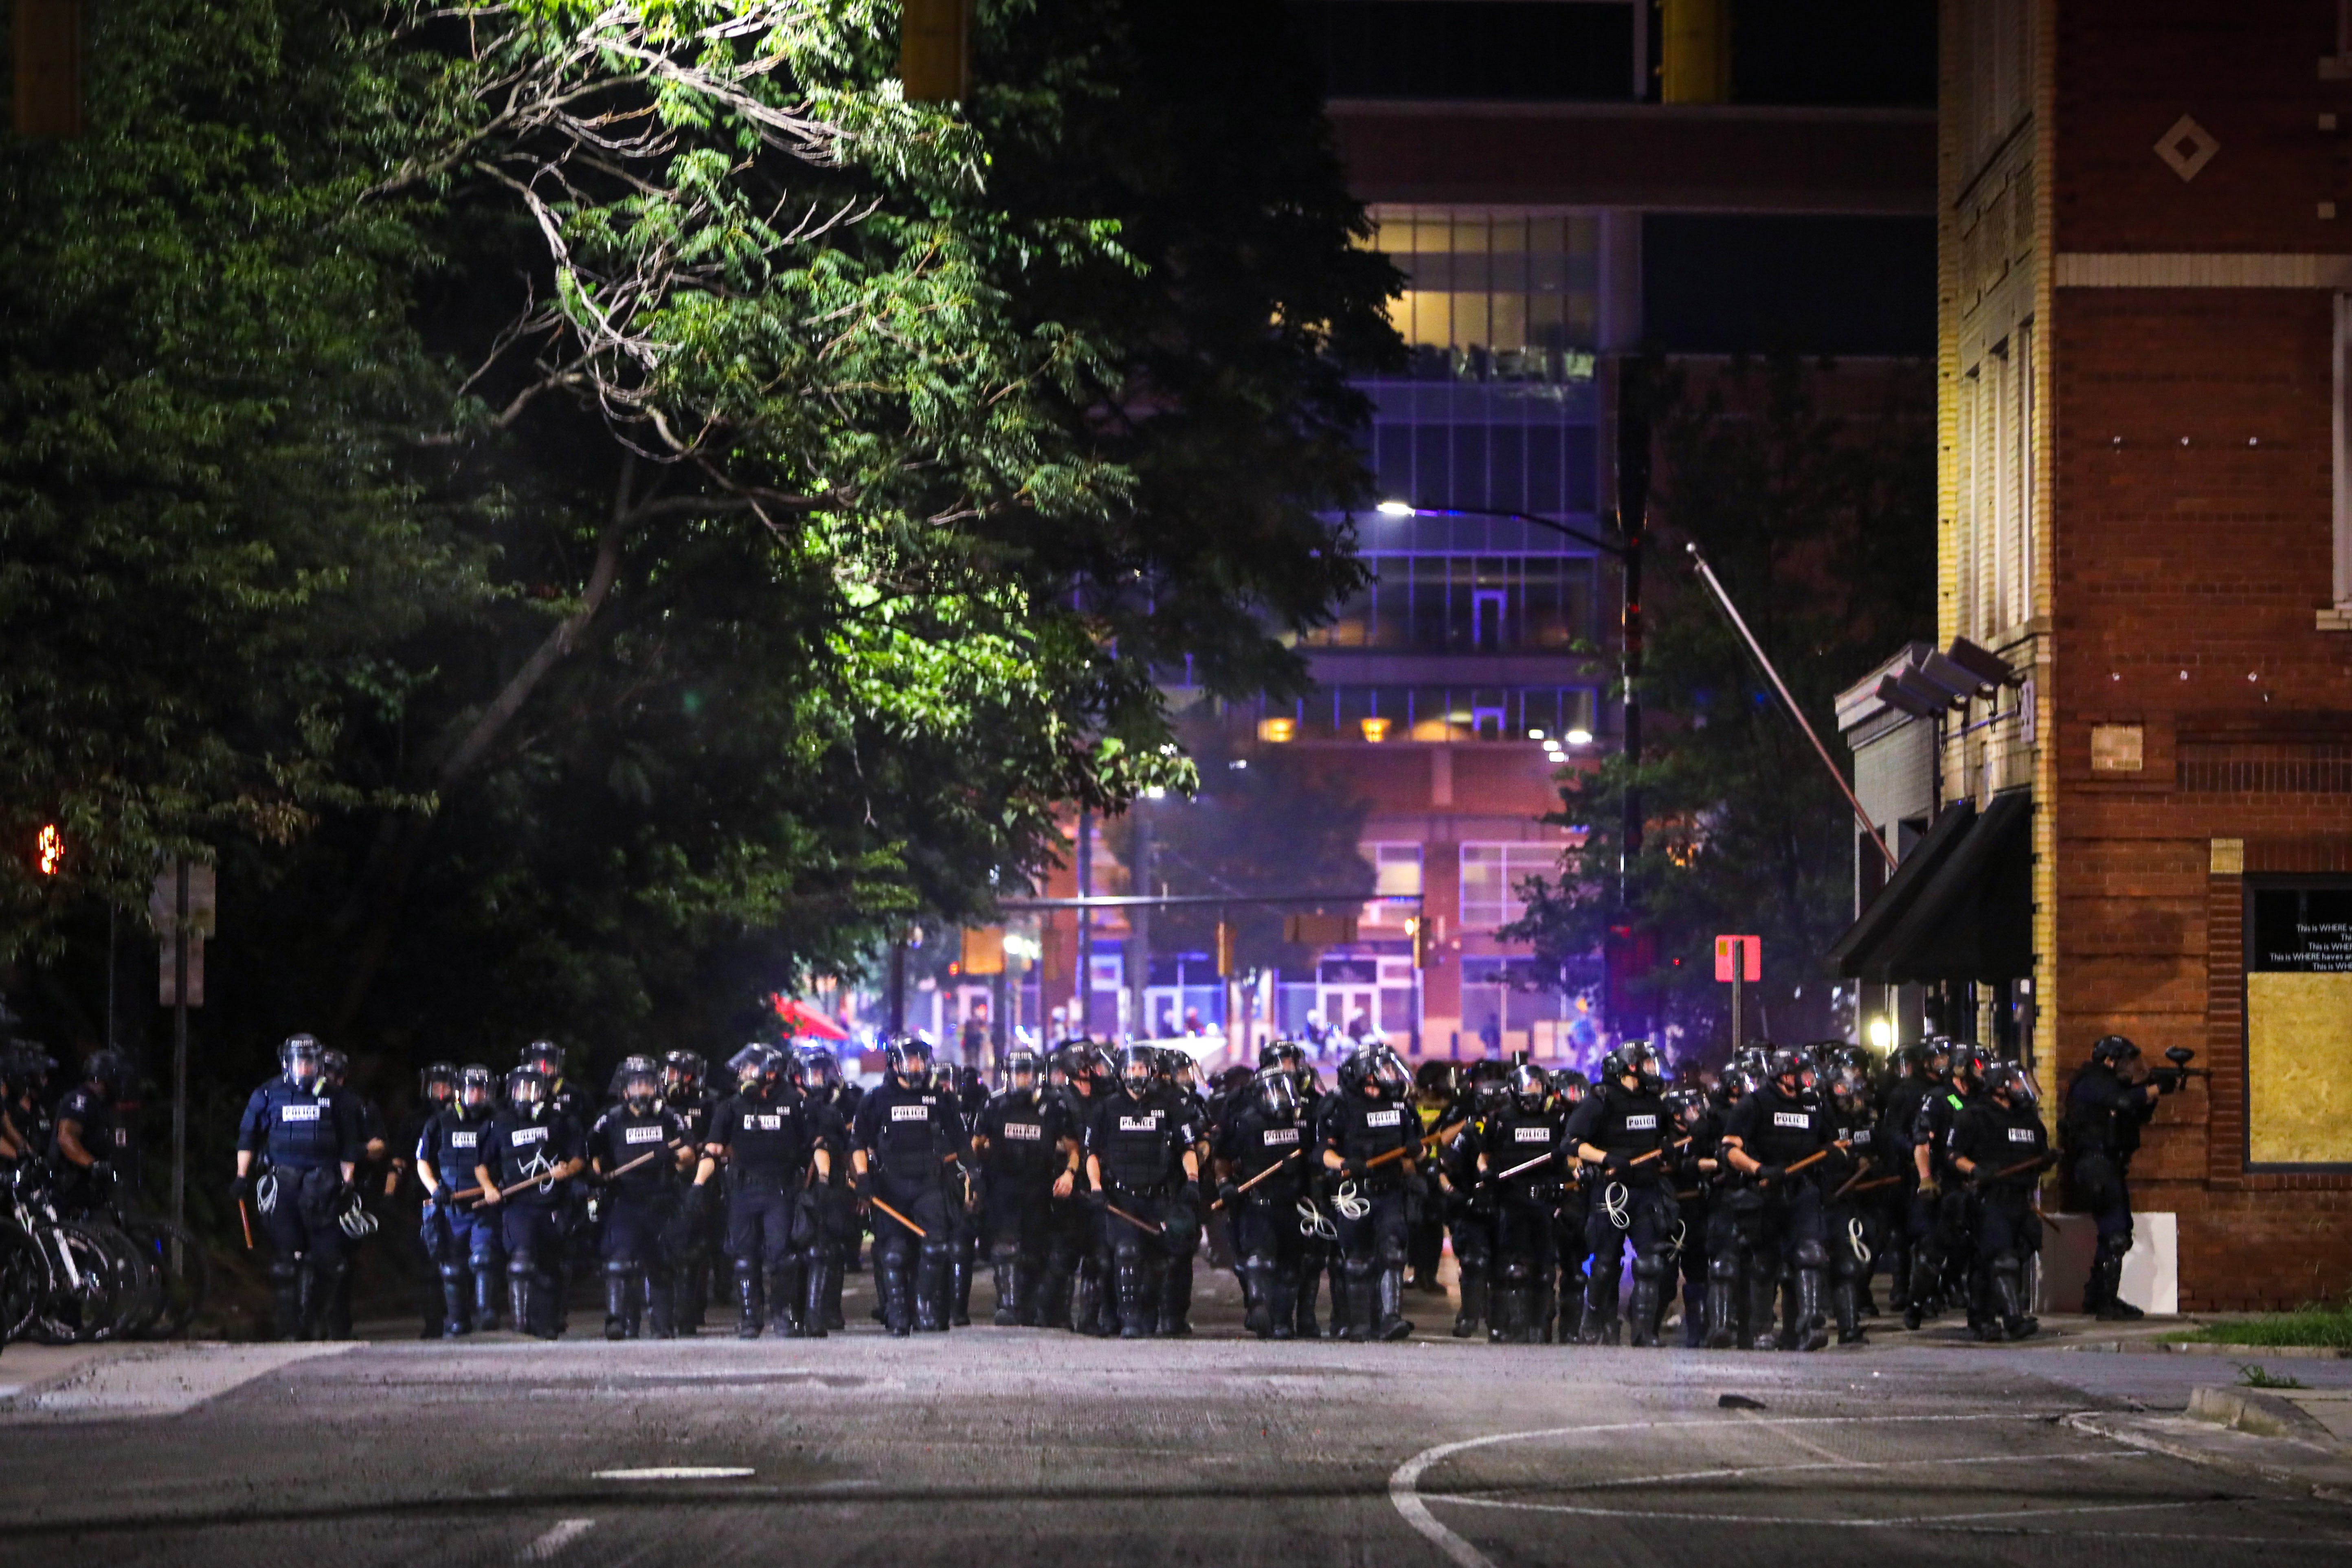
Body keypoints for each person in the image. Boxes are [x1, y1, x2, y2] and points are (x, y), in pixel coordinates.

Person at [233, 1035, 365, 1340]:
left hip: (324, 1184)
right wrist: (242, 1176)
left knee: (328, 1262)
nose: (305, 1068)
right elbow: (247, 1137)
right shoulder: (268, 1094)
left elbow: (348, 1144)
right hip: (284, 1183)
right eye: (300, 1062)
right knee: (286, 1262)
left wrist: (348, 1182)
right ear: (287, 1064)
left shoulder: (337, 1098)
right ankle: (289, 1327)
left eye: (310, 1062)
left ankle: (313, 1320)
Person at [694, 1045, 830, 1337]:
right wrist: (698, 1184)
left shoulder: (796, 1104)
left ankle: (783, 1316)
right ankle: (749, 1319)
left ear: (770, 1073)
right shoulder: (731, 1106)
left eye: (749, 1069)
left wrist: (825, 1180)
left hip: (780, 1190)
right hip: (743, 1189)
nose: (743, 1075)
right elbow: (712, 1150)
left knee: (782, 1257)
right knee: (744, 1258)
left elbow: (818, 1146)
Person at [851, 1037, 970, 1335]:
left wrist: (974, 1176)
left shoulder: (940, 1098)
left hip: (929, 1183)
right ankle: (897, 1313)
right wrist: (863, 1178)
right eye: (911, 1060)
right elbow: (858, 1144)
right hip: (890, 1185)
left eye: (920, 1060)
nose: (917, 1066)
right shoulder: (875, 1099)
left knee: (936, 1246)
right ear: (895, 1064)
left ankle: (923, 1308)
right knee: (893, 1253)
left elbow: (961, 1141)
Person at [1719, 1045, 1834, 1352]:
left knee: (1810, 1255)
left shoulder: (1814, 1105)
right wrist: (1758, 1169)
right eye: (1804, 1073)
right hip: (1765, 1192)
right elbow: (1729, 1150)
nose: (1810, 1079)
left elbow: (1830, 1142)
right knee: (1764, 1264)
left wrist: (1834, 1151)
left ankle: (1808, 1327)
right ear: (1785, 1075)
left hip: (1802, 1191)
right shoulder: (1754, 1104)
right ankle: (1761, 1331)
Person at [1083, 1043, 1201, 1338]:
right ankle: (1129, 1319)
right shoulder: (1106, 1108)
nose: (1136, 1074)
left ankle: (1154, 1315)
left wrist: (1192, 1179)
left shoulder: (1170, 1104)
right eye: (1131, 1069)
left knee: (1161, 1259)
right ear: (1121, 1073)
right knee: (1126, 1253)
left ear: (1151, 1072)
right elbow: (1092, 1154)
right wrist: (1096, 1187)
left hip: (1159, 1196)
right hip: (1121, 1198)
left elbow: (1187, 1147)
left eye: (1141, 1068)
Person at [2062, 1034, 2178, 1321]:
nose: (2129, 1068)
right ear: (2108, 1061)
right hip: (2095, 1164)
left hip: (2110, 1165)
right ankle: (2105, 1302)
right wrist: (2150, 1091)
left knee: (2117, 1233)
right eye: (2124, 1062)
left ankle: (2097, 1296)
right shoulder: (2091, 1082)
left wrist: (2154, 1095)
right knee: (2115, 1234)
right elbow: (2123, 1101)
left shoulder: (2110, 1085)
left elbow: (2133, 1114)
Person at [1567, 1042, 1674, 1346]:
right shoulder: (1601, 1100)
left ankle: (1644, 1333)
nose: (1653, 1070)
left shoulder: (1654, 1102)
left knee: (1651, 1263)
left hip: (1646, 1190)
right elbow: (1572, 1143)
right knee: (1604, 1264)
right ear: (1630, 1067)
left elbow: (1663, 1137)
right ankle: (1592, 1323)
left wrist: (1667, 1148)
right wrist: (1604, 1158)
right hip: (1611, 1192)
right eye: (1648, 1065)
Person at [1316, 1041, 1421, 1342]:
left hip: (1389, 1191)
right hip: (1352, 1193)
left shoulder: (1401, 1106)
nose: (1391, 1075)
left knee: (1392, 1252)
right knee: (1357, 1260)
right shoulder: (1339, 1105)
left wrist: (1417, 1153)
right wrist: (1343, 1163)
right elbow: (1322, 1151)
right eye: (1386, 1069)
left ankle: (1390, 1319)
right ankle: (1358, 1323)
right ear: (1368, 1075)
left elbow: (1419, 1153)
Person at [474, 1065, 585, 1339]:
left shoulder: (561, 1121)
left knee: (552, 1267)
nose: (527, 1094)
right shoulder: (498, 1123)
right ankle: (520, 1327)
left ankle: (548, 1324)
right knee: (521, 1263)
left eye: (533, 1088)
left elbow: (578, 1157)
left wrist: (566, 1171)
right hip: (518, 1205)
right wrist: (489, 1189)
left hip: (553, 1204)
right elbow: (482, 1165)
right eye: (522, 1088)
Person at [591, 1055, 693, 1339]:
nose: (643, 1091)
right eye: (637, 1085)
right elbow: (591, 1154)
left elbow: (690, 1154)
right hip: (625, 1199)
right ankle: (618, 1322)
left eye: (648, 1085)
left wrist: (673, 1155)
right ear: (625, 1090)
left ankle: (662, 1327)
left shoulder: (669, 1117)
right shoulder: (609, 1119)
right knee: (620, 1263)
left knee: (660, 1264)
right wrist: (597, 1174)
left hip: (661, 1198)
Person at [1951, 1060, 2049, 1342]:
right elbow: (1952, 1155)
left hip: (2021, 1199)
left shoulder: (2027, 1119)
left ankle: (1984, 1313)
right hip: (1991, 1199)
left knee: (2014, 1253)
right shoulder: (1975, 1117)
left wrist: (2045, 1161)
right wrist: (1975, 1170)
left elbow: (2038, 1154)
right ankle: (2012, 1320)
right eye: (2015, 1081)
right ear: (1999, 1086)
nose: (2021, 1087)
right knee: (2000, 1258)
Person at [1214, 1066, 1313, 1339]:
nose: (1281, 1096)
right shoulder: (1246, 1123)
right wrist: (1225, 1186)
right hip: (1258, 1204)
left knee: (1291, 1269)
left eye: (1284, 1089)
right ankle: (1258, 1308)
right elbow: (1222, 1159)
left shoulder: (1299, 1123)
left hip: (1293, 1205)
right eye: (1275, 1090)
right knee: (1260, 1260)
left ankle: (1282, 1321)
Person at [973, 1047, 1065, 1326]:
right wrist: (975, 1176)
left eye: (1026, 1074)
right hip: (1004, 1184)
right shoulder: (994, 1104)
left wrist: (1066, 1170)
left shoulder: (1052, 1105)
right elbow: (976, 1143)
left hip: (1039, 1184)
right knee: (1005, 1245)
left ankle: (1031, 1305)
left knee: (1036, 1248)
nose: (1022, 1079)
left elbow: (1069, 1145)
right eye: (1017, 1073)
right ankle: (1008, 1305)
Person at [1476, 1061, 1565, 1344]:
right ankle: (1514, 1328)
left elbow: (1567, 1159)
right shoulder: (1501, 1120)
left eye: (1538, 1086)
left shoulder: (1555, 1120)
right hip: (1511, 1200)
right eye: (1529, 1086)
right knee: (1515, 1269)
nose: (1534, 1092)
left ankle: (1540, 1329)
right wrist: (1486, 1174)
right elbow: (1484, 1156)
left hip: (1544, 1201)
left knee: (1545, 1271)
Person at [416, 1064, 502, 1335]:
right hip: (451, 1206)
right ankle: (458, 1321)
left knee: (484, 1259)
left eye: (481, 1090)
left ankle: (486, 1312)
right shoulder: (440, 1122)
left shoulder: (497, 1121)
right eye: (471, 1090)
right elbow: (422, 1161)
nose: (476, 1096)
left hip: (484, 1204)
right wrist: (434, 1188)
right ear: (460, 1091)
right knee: (452, 1269)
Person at [318, 1048, 387, 1339]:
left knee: (340, 1262)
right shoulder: (301, 1103)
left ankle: (337, 1326)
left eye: (334, 1074)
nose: (329, 1079)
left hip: (345, 1193)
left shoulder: (358, 1106)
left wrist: (353, 1153)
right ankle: (305, 1324)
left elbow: (379, 1146)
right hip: (307, 1188)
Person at [400, 1063, 460, 1338]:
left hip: (460, 1195)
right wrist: (391, 1194)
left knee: (459, 1259)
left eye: (445, 1086)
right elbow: (400, 1159)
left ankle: (458, 1317)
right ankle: (433, 1321)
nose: (440, 1092)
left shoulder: (463, 1118)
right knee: (428, 1263)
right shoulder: (414, 1121)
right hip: (424, 1197)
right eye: (435, 1086)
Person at [51, 1049, 132, 1217]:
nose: (119, 1084)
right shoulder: (80, 1100)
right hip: (71, 1181)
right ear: (102, 1079)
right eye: (115, 1079)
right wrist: (92, 1164)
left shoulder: (104, 1105)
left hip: (95, 1182)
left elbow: (115, 1137)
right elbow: (66, 1138)